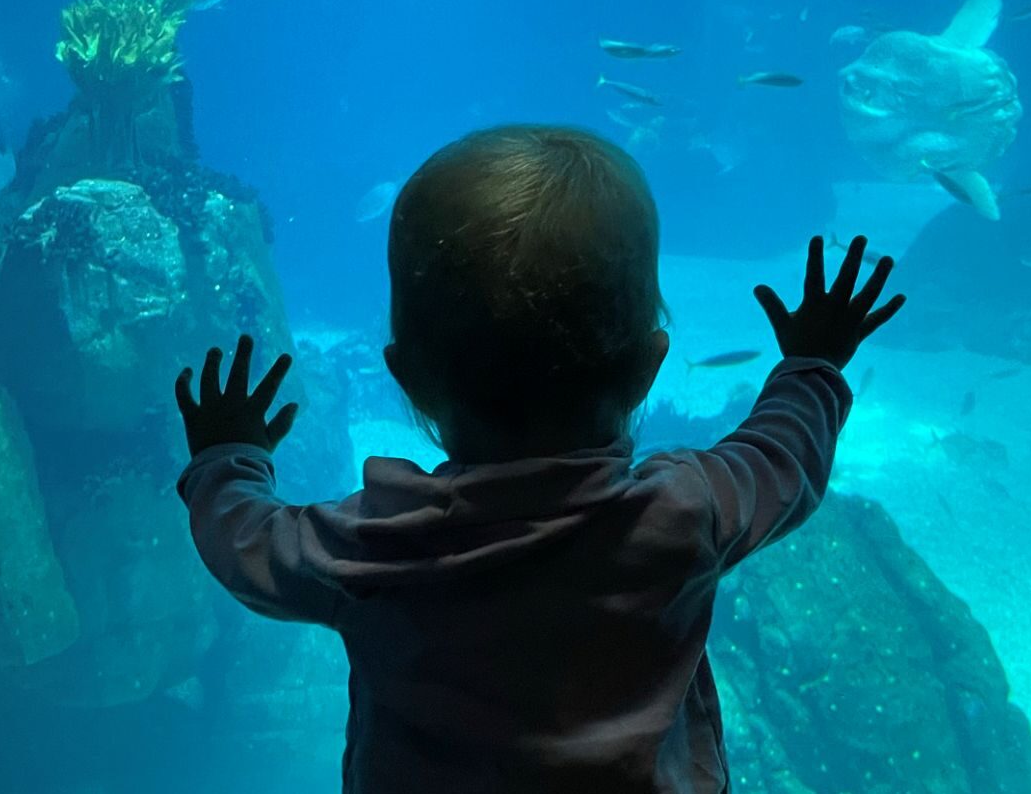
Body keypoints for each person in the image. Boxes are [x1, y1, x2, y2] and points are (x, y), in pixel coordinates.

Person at [174, 125, 904, 793]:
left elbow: (247, 544)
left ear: (407, 377)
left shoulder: (374, 547)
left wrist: (227, 457)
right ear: (651, 366)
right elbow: (782, 458)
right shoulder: (684, 512)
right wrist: (813, 364)